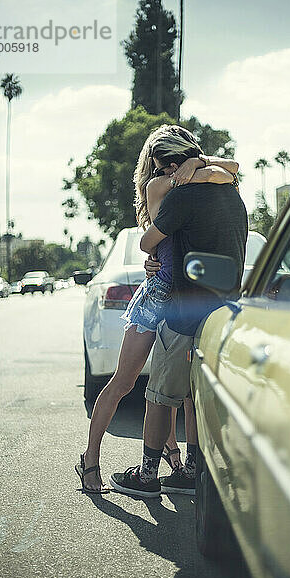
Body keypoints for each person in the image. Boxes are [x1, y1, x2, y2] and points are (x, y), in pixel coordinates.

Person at [75, 124, 239, 493]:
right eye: (160, 163)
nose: (167, 169)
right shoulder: (158, 187)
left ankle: (176, 464)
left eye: (171, 161)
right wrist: (198, 166)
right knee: (125, 382)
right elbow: (222, 172)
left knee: (178, 391)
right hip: (159, 293)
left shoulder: (198, 179)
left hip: (183, 291)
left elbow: (231, 168)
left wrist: (198, 162)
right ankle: (90, 461)